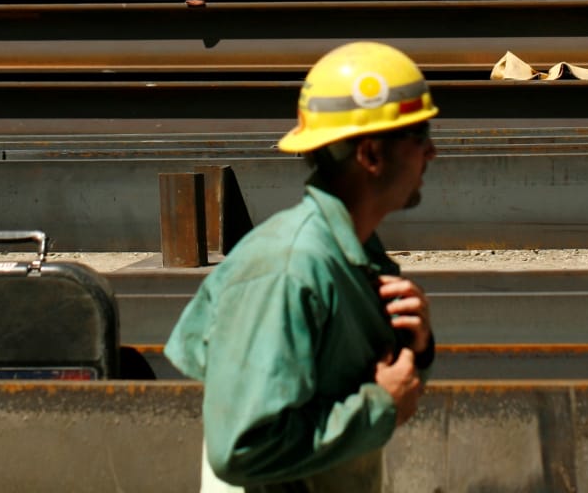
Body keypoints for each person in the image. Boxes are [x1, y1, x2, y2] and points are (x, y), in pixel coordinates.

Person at [165, 41, 440, 493]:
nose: (432, 151)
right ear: (370, 154)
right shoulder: (287, 269)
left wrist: (416, 348)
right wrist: (379, 406)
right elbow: (242, 448)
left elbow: (384, 387)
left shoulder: (354, 253)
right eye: (419, 134)